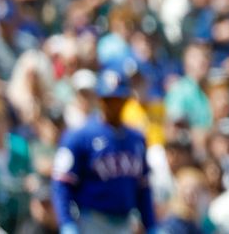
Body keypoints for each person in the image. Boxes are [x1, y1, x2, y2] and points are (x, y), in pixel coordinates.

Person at [51, 67, 156, 234]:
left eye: (118, 99)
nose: (114, 105)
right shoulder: (79, 136)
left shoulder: (136, 139)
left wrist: (151, 225)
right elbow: (61, 184)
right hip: (91, 221)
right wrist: (66, 222)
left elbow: (143, 189)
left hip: (126, 222)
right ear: (99, 99)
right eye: (109, 99)